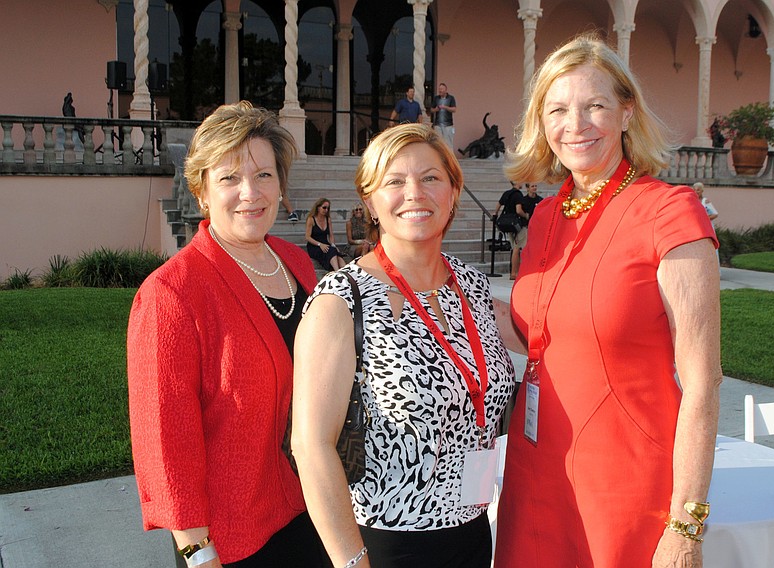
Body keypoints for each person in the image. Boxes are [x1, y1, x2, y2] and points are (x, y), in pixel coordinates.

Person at [493, 33, 721, 568]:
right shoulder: (546, 216)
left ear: (626, 112)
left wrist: (686, 526)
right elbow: (544, 335)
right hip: (534, 470)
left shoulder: (670, 212)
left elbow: (703, 381)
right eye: (557, 109)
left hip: (624, 482)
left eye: (594, 105)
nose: (575, 124)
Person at [292, 123, 515, 568]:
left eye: (431, 177)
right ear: (370, 201)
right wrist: (352, 561)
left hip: (473, 531)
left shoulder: (472, 285)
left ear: (453, 191)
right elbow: (311, 446)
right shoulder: (342, 300)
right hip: (387, 541)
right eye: (394, 181)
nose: (414, 193)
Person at [127, 101, 327, 567]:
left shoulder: (296, 263)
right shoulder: (171, 293)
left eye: (263, 175)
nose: (249, 193)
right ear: (201, 192)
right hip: (233, 541)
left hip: (311, 511)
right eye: (229, 178)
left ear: (280, 184)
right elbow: (165, 445)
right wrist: (198, 553)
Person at [495, 180, 529, 279]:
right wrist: (526, 215)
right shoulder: (518, 195)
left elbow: (498, 205)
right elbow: (518, 210)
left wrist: (495, 214)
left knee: (514, 247)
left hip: (508, 224)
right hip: (517, 224)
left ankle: (514, 272)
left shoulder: (507, 193)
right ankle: (514, 272)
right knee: (517, 248)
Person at [305, 197, 346, 271]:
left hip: (326, 244)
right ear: (318, 208)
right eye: (324, 207)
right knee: (331, 251)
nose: (326, 210)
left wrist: (333, 245)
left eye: (327, 208)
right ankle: (337, 270)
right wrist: (320, 244)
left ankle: (345, 270)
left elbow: (331, 235)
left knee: (334, 251)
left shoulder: (328, 219)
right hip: (314, 246)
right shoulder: (311, 219)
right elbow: (307, 237)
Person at [430, 82, 457, 150]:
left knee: (448, 144)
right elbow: (431, 110)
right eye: (439, 89)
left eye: (441, 89)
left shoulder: (451, 98)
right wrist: (436, 109)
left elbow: (454, 109)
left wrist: (445, 107)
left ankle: (449, 156)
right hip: (438, 125)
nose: (440, 91)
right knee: (438, 143)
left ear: (445, 90)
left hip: (448, 125)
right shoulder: (436, 98)